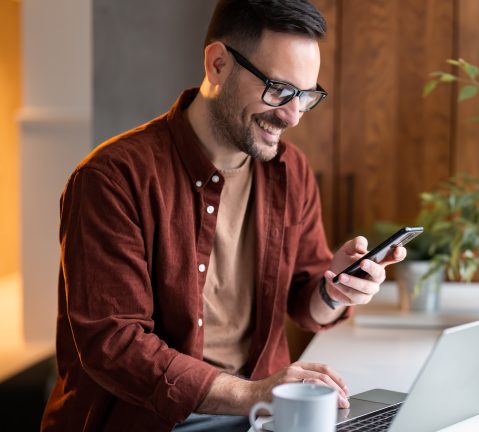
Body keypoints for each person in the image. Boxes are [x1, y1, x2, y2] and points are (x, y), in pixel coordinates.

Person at [40, 1, 405, 431]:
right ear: (217, 64)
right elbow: (115, 345)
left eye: (306, 96)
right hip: (152, 421)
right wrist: (256, 392)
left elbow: (306, 304)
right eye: (278, 89)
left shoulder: (291, 171)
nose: (292, 116)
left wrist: (336, 290)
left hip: (260, 418)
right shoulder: (112, 179)